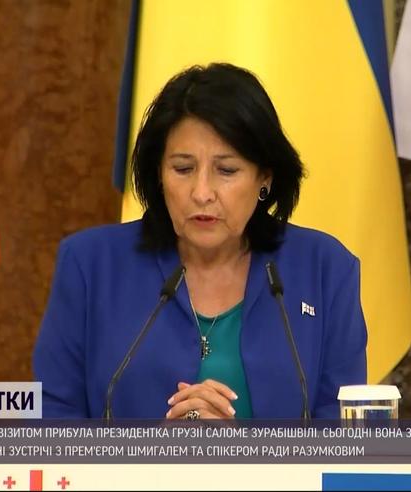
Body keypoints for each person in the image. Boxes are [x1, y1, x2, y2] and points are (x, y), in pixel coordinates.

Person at [33, 63, 366, 419]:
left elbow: (345, 434)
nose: (202, 192)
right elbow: (51, 419)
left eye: (226, 170)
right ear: (159, 175)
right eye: (183, 168)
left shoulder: (325, 270)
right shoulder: (90, 265)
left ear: (264, 179)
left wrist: (244, 449)